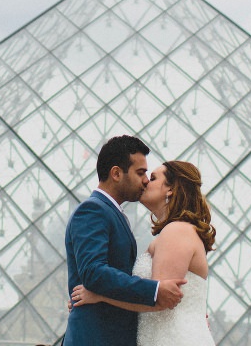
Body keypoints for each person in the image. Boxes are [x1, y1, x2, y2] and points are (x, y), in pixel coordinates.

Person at [71, 160, 217, 346]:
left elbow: (159, 299)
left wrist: (99, 296)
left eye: (153, 178)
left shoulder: (176, 231)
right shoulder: (178, 231)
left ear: (170, 189)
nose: (146, 181)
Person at [63, 135, 187, 346]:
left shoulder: (111, 213)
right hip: (97, 337)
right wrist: (155, 290)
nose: (146, 180)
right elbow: (93, 272)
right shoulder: (93, 210)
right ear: (116, 173)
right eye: (141, 173)